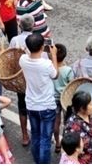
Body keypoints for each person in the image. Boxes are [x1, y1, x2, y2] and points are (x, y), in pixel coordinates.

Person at [20, 33, 59, 164]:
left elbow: (25, 53)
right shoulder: (46, 64)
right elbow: (55, 75)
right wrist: (53, 55)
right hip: (47, 106)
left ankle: (37, 161)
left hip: (31, 104)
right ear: (43, 47)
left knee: (36, 136)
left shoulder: (23, 60)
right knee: (45, 140)